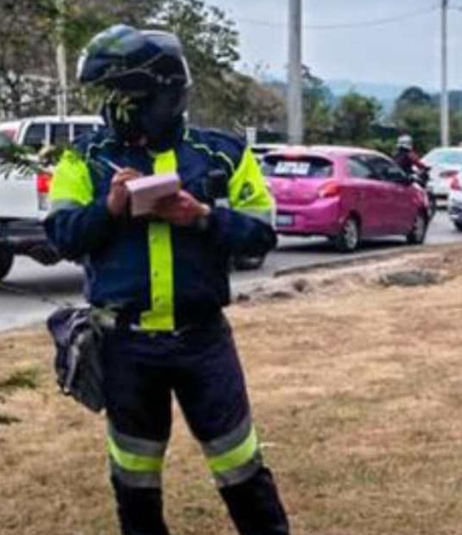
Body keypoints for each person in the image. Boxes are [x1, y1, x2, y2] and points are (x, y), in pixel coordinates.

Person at [44, 25, 289, 535]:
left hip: (203, 342)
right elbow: (62, 236)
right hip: (125, 346)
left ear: (165, 95)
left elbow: (262, 236)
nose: (114, 106)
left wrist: (202, 216)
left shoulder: (222, 153)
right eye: (109, 96)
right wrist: (108, 209)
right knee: (134, 481)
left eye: (126, 95)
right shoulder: (84, 157)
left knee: (241, 467)